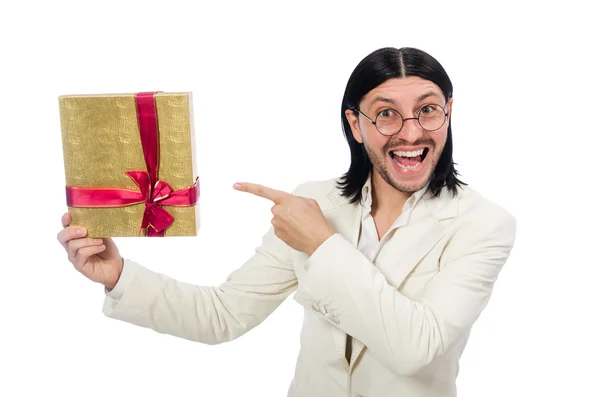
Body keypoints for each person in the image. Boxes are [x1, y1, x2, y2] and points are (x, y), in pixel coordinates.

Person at [57, 47, 517, 397]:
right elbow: (224, 315)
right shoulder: (314, 201)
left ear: (448, 112)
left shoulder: (484, 224)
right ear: (356, 126)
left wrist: (322, 243)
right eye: (386, 114)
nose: (412, 131)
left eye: (428, 109)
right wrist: (117, 276)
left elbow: (417, 349)